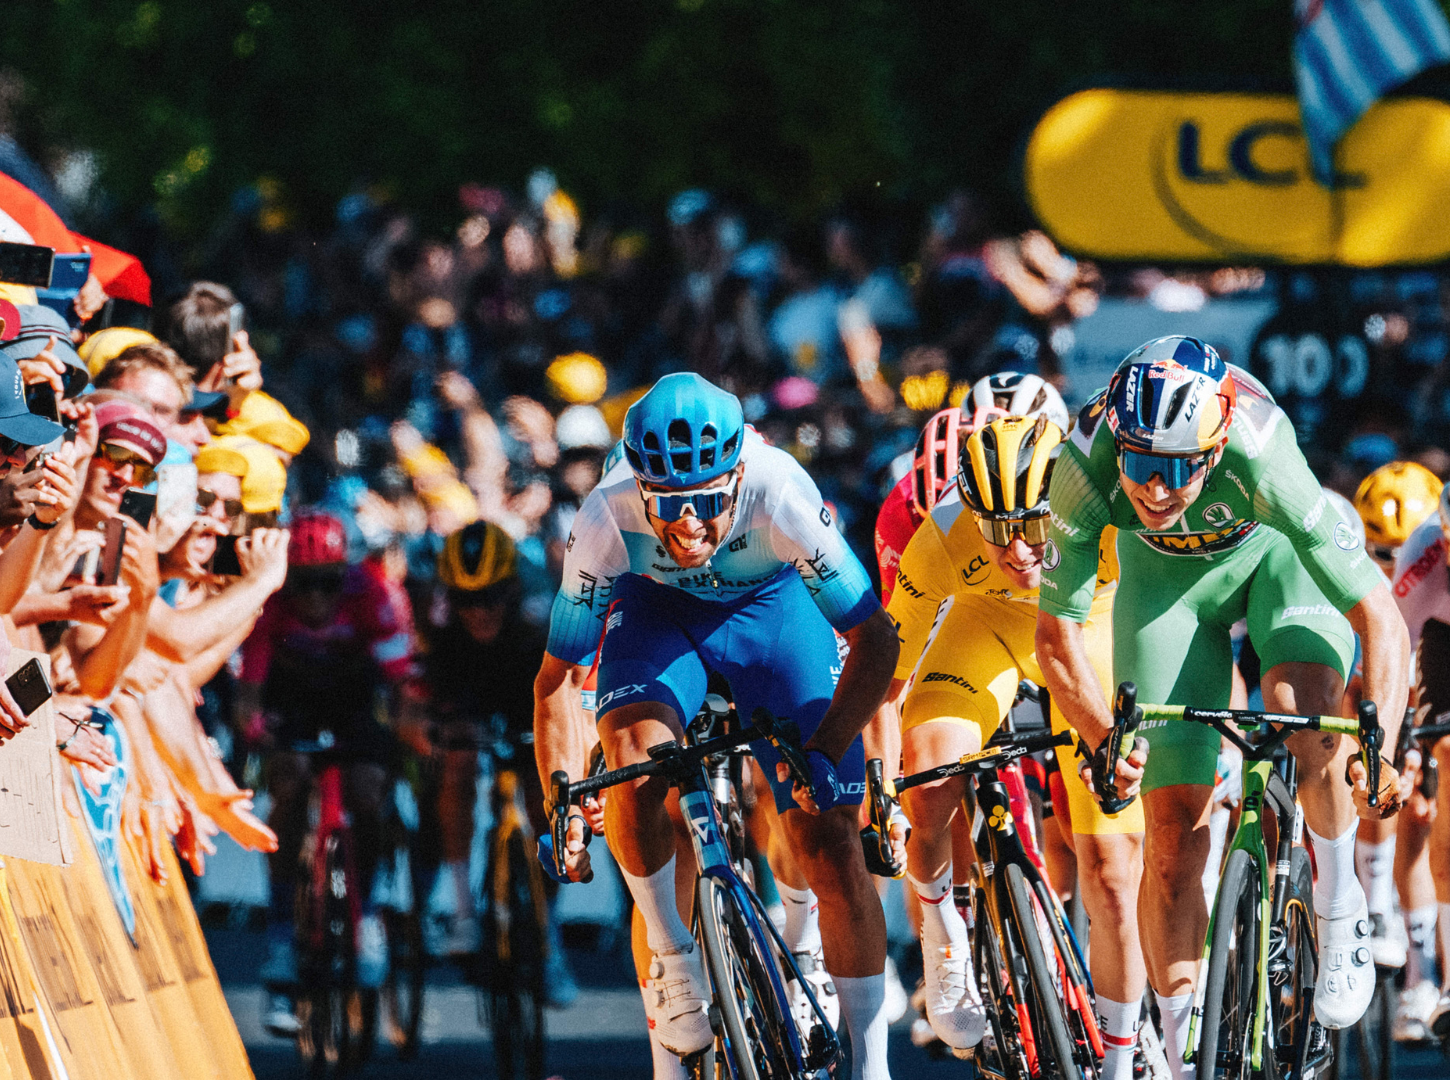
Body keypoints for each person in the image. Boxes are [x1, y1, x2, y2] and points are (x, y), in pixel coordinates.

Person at [1035, 336, 1409, 1078]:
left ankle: (1338, 902)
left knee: (1306, 713)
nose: (1156, 489)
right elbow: (1056, 640)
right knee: (1169, 839)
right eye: (1140, 465)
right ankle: (1182, 1052)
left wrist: (1383, 748)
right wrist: (1105, 737)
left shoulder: (1263, 451)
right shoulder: (1081, 471)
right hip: (1165, 587)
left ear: (1214, 450)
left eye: (1178, 468)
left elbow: (1381, 620)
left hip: (1277, 557)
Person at [533, 373, 899, 1079]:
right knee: (635, 765)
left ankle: (869, 1062)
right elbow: (557, 680)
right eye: (666, 505)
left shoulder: (780, 491)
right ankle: (673, 958)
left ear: (737, 474)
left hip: (773, 610)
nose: (687, 525)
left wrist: (824, 748)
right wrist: (564, 793)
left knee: (828, 834)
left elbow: (875, 639)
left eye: (704, 500)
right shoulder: (606, 515)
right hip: (658, 615)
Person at [886, 415, 1147, 1078]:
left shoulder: (1113, 506)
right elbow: (885, 680)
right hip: (989, 629)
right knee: (929, 765)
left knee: (1114, 868)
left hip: (1090, 625)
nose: (1018, 552)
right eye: (997, 530)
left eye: (1031, 526)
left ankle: (1126, 1048)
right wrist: (878, 781)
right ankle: (943, 933)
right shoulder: (942, 533)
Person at [240, 510, 420, 1036]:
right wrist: (254, 728)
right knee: (290, 781)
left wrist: (408, 727)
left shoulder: (371, 592)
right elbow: (250, 688)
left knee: (367, 790)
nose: (316, 596)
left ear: (346, 575)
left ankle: (368, 914)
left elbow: (400, 677)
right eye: (304, 583)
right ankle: (280, 932)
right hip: (291, 702)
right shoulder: (272, 601)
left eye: (327, 583)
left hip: (354, 703)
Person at [1387, 483, 1450, 1039]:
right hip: (1441, 639)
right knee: (1443, 763)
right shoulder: (1423, 555)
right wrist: (1407, 740)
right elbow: (1400, 650)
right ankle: (1432, 974)